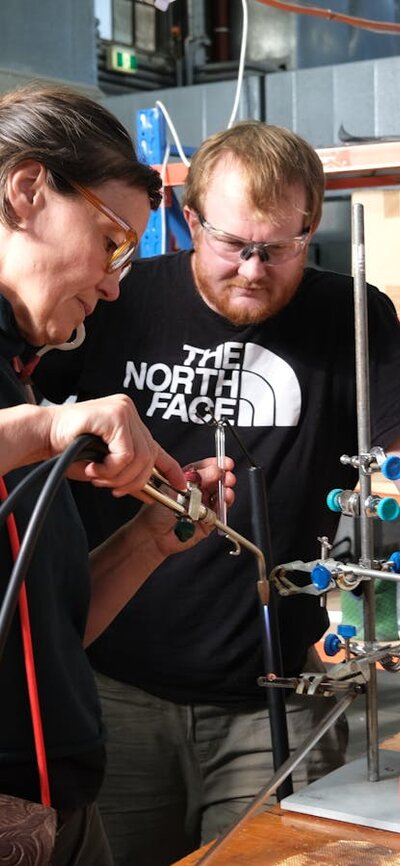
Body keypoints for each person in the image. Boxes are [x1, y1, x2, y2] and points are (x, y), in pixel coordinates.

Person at [35, 121, 400, 866]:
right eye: (234, 245)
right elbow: (35, 447)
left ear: (312, 226)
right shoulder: (114, 297)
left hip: (273, 697)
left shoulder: (355, 315)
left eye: (279, 248)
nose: (255, 270)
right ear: (191, 220)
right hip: (113, 689)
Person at [0, 84, 235, 866]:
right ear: (27, 190)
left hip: (59, 813)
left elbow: (49, 642)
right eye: (111, 243)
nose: (112, 285)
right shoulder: (27, 413)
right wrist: (50, 426)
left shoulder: (17, 372)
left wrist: (147, 541)